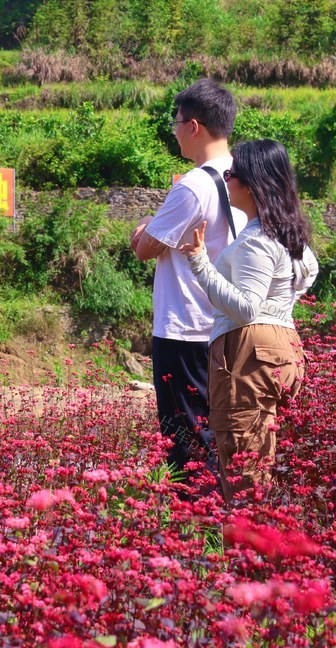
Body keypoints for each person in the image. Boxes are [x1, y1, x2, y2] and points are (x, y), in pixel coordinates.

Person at [178, 139, 319, 503]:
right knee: (269, 456)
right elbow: (308, 273)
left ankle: (247, 550)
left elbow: (245, 308)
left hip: (248, 354)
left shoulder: (256, 241)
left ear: (252, 184)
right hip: (284, 345)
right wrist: (279, 307)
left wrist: (199, 261)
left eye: (231, 173)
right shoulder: (290, 238)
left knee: (243, 464)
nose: (226, 180)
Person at [131, 79, 246, 485]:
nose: (175, 130)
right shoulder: (241, 174)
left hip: (185, 329)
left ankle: (195, 530)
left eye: (177, 121)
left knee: (187, 440)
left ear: (194, 126)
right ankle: (222, 520)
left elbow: (145, 248)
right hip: (226, 324)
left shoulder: (194, 186)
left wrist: (144, 225)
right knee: (220, 434)